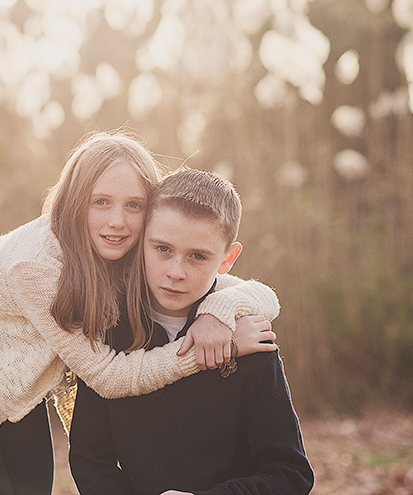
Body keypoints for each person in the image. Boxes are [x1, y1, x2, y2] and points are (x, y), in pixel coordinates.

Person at [0, 131, 280, 495]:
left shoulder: (138, 246)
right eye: (100, 201)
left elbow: (258, 293)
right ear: (74, 201)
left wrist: (217, 313)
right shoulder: (36, 266)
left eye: (133, 205)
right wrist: (208, 351)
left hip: (17, 379)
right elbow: (108, 377)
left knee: (33, 488)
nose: (117, 220)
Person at [68, 168, 314, 495]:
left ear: (227, 259)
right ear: (142, 241)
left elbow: (290, 472)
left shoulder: (247, 337)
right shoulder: (110, 329)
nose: (175, 272)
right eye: (162, 249)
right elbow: (90, 461)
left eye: (197, 256)